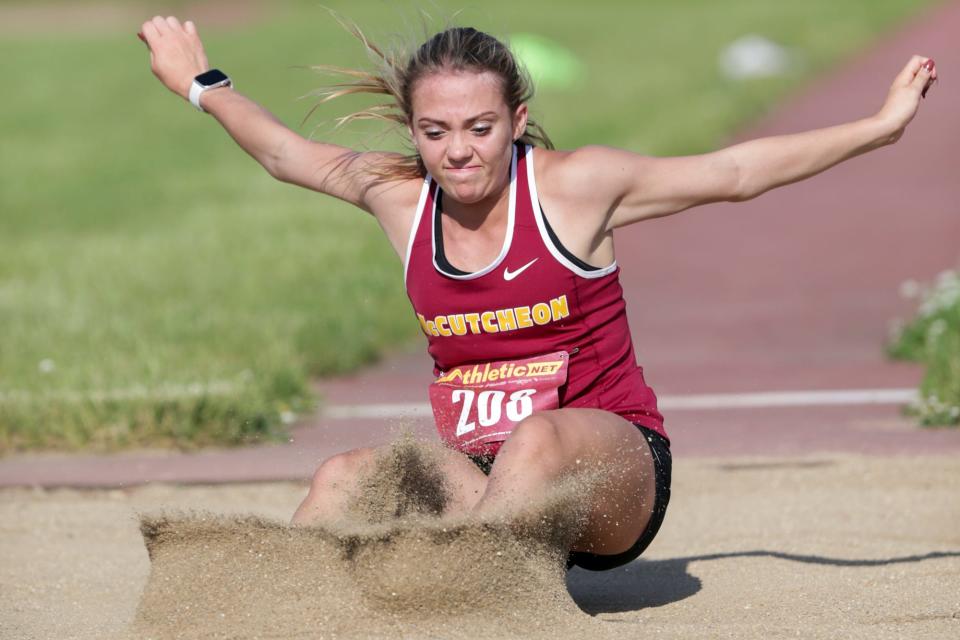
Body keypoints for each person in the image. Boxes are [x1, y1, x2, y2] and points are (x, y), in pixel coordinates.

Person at [138, 15, 937, 570]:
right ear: (412, 130)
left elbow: (731, 175)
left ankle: (476, 595)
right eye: (435, 132)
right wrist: (199, 82)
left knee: (535, 439)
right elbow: (284, 153)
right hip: (486, 486)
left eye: (479, 129)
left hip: (610, 477)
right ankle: (287, 605)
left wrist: (880, 126)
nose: (457, 153)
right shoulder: (399, 198)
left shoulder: (576, 188)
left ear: (516, 120)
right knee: (347, 475)